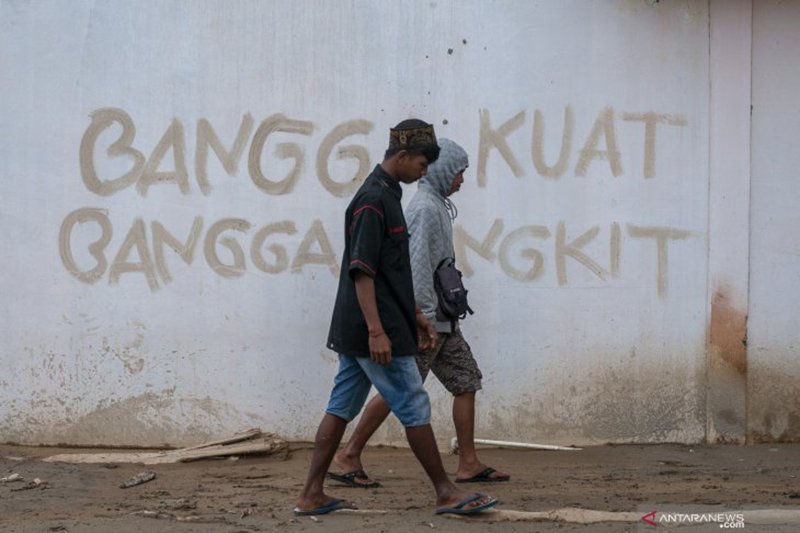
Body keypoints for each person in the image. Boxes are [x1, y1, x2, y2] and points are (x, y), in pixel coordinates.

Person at [294, 121, 498, 517]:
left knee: (340, 408)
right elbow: (362, 271)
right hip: (375, 329)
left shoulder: (387, 195)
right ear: (401, 157)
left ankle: (311, 494)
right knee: (413, 405)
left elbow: (395, 271)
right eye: (422, 163)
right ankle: (445, 492)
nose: (425, 171)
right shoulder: (374, 201)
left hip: (366, 327)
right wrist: (377, 331)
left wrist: (418, 315)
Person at [331, 138, 510, 486]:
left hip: (442, 318)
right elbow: (413, 267)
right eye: (458, 172)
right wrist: (421, 319)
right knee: (399, 388)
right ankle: (349, 453)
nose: (461, 180)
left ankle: (468, 462)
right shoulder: (425, 209)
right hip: (428, 320)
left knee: (466, 381)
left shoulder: (437, 204)